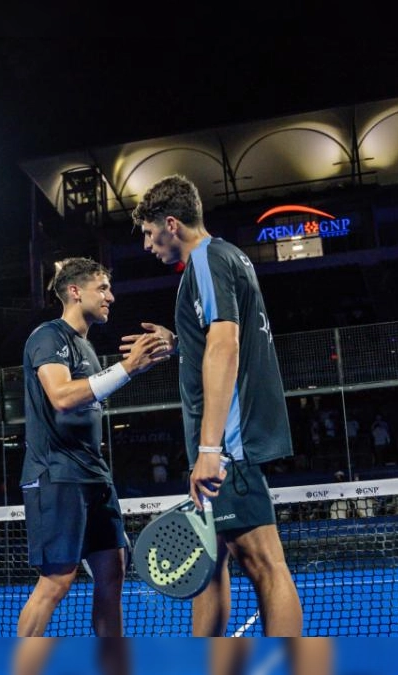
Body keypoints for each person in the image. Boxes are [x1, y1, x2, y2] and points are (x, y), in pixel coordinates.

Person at [125, 174, 303, 638]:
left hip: (227, 445)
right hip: (227, 441)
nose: (147, 245)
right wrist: (180, 340)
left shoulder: (205, 258)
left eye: (148, 233)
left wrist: (210, 448)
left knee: (265, 564)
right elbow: (212, 339)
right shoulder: (228, 256)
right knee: (210, 567)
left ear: (170, 223)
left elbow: (225, 344)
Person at [14, 256, 169, 663]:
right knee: (57, 581)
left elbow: (92, 392)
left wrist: (133, 368)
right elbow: (62, 398)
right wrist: (126, 368)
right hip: (57, 475)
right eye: (102, 288)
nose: (111, 297)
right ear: (74, 291)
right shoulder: (47, 337)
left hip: (94, 476)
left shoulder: (85, 347)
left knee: (112, 574)